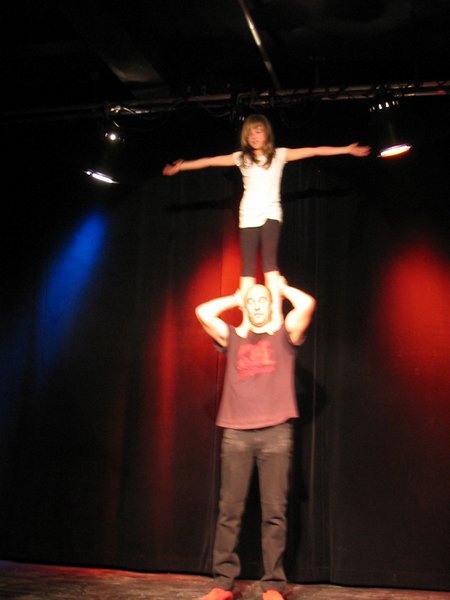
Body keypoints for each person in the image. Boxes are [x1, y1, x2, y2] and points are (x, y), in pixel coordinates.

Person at [164, 113, 369, 325]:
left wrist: (346, 149)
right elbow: (210, 162)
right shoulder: (241, 158)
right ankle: (247, 319)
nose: (254, 136)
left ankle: (276, 317)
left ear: (267, 134)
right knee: (248, 268)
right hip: (248, 215)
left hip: (271, 213)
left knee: (270, 264)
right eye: (250, 133)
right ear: (245, 137)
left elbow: (313, 150)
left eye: (259, 131)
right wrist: (182, 166)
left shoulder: (279, 155)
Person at [195, 275, 316, 600]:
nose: (258, 306)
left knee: (274, 514)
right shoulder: (233, 338)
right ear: (246, 308)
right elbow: (202, 312)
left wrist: (280, 290)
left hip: (276, 434)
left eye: (263, 301)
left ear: (271, 305)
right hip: (236, 433)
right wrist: (237, 298)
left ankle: (273, 585)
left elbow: (307, 304)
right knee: (229, 512)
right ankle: (223, 584)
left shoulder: (284, 336)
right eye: (253, 302)